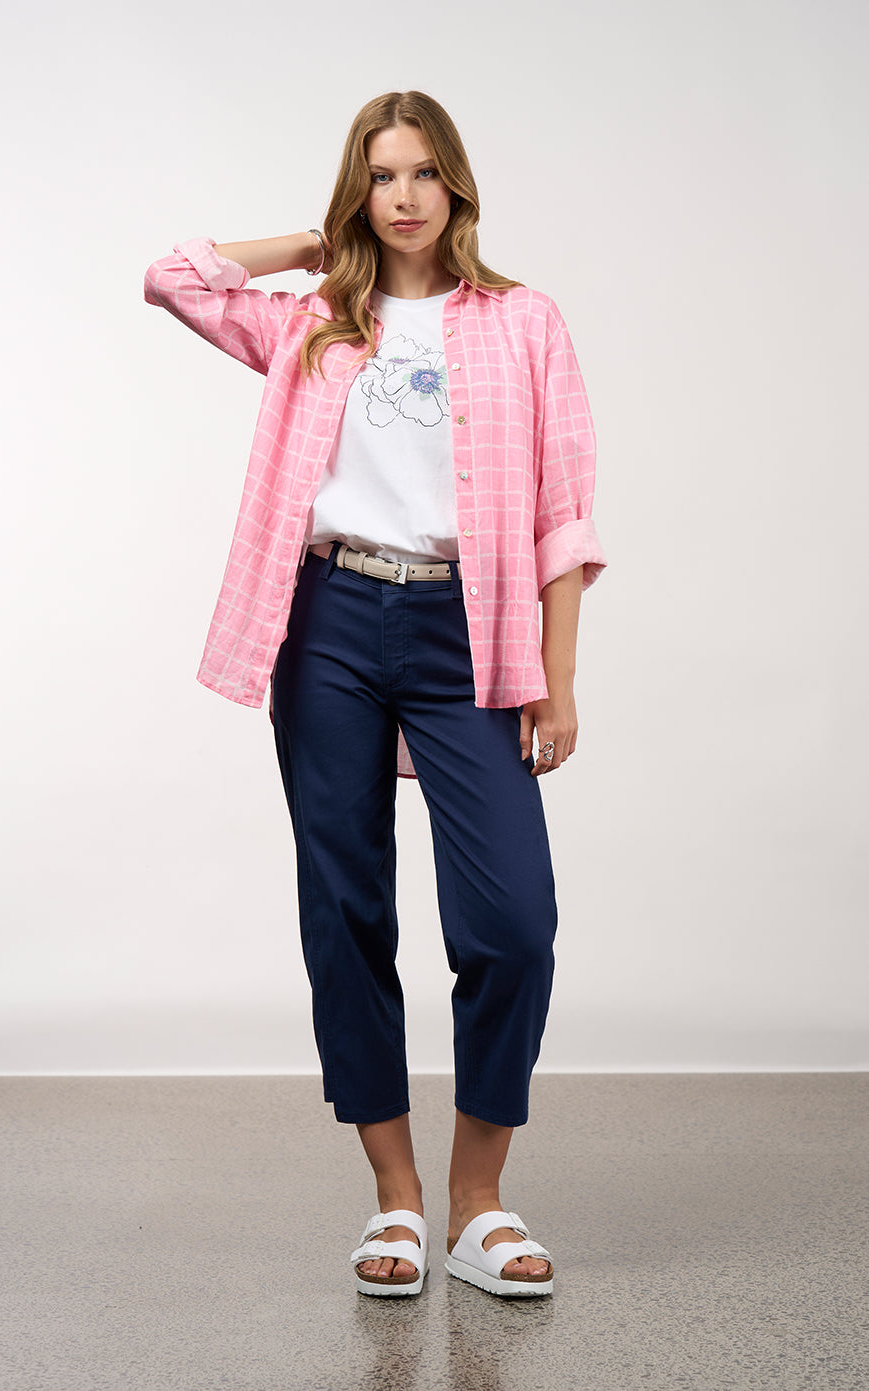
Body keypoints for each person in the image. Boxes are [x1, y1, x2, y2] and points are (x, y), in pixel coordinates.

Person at [144, 90, 606, 1299]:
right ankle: (395, 1197)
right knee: (346, 905)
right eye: (380, 175)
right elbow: (172, 276)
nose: (404, 196)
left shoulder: (523, 321)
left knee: (512, 922)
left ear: (457, 185)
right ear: (358, 190)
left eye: (422, 173)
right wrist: (317, 243)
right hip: (331, 623)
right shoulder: (313, 323)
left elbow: (564, 517)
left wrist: (556, 681)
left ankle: (478, 1202)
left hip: (471, 627)